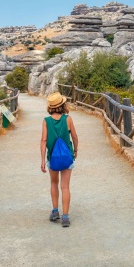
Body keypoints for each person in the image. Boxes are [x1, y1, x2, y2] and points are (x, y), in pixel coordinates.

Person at [40, 92, 78, 227]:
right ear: (62, 104)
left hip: (53, 157)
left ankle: (55, 211)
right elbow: (74, 137)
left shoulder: (46, 121)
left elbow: (44, 140)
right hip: (67, 156)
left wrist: (43, 160)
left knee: (54, 183)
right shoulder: (68, 119)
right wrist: (75, 150)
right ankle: (66, 217)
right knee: (65, 186)